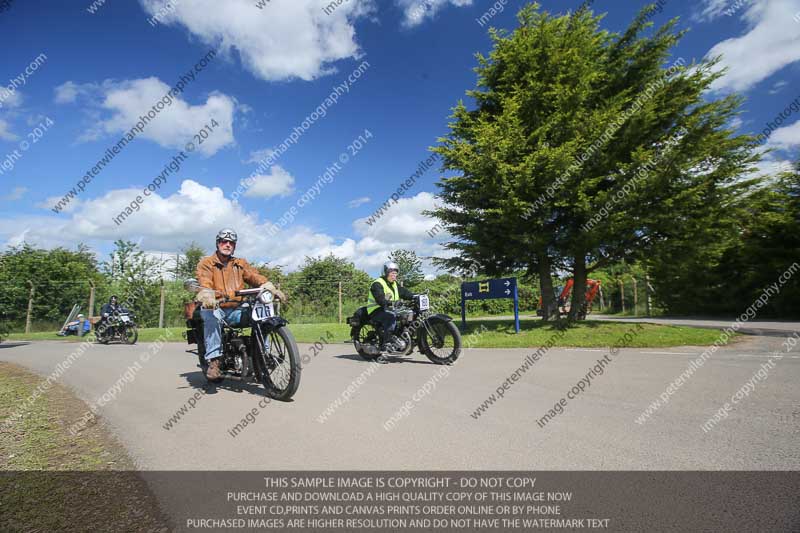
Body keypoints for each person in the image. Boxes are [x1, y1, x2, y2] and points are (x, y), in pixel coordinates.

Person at [195, 228, 286, 379]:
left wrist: (268, 285)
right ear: (218, 243)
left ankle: (263, 355)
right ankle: (214, 360)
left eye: (231, 243)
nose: (228, 245)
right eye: (224, 241)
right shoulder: (206, 263)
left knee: (263, 315)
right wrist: (207, 295)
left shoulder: (240, 263)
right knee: (209, 314)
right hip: (218, 307)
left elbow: (253, 276)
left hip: (238, 308)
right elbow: (204, 280)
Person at [367, 261, 414, 353]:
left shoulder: (394, 284)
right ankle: (385, 345)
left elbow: (404, 293)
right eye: (392, 273)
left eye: (396, 273)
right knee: (390, 317)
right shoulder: (377, 284)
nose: (394, 275)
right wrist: (389, 303)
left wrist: (415, 296)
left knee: (408, 315)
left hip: (390, 309)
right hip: (376, 310)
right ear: (386, 273)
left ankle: (401, 339)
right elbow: (380, 298)